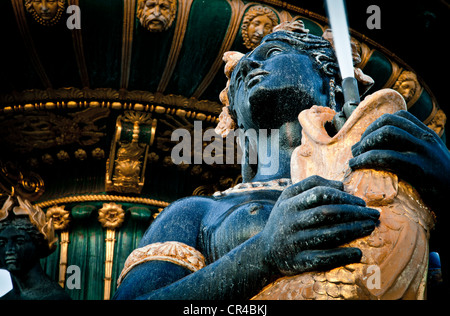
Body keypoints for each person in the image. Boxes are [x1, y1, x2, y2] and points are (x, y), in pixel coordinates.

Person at [113, 21, 450, 300]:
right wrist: (263, 255)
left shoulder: (382, 180)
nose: (250, 68)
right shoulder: (195, 213)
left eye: (272, 53)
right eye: (240, 74)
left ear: (327, 74)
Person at [0, 196, 70, 300]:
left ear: (38, 245)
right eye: (2, 243)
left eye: (19, 242)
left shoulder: (54, 297)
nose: (9, 249)